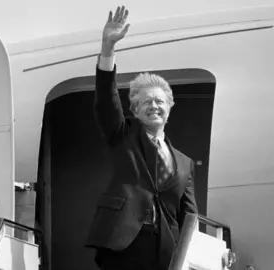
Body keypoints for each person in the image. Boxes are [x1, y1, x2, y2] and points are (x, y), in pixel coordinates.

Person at [84, 6, 198, 270]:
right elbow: (105, 102)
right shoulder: (123, 135)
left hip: (166, 250)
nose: (153, 106)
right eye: (145, 102)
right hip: (124, 244)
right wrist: (107, 48)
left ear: (170, 107)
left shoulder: (185, 163)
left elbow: (189, 215)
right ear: (134, 109)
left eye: (159, 101)